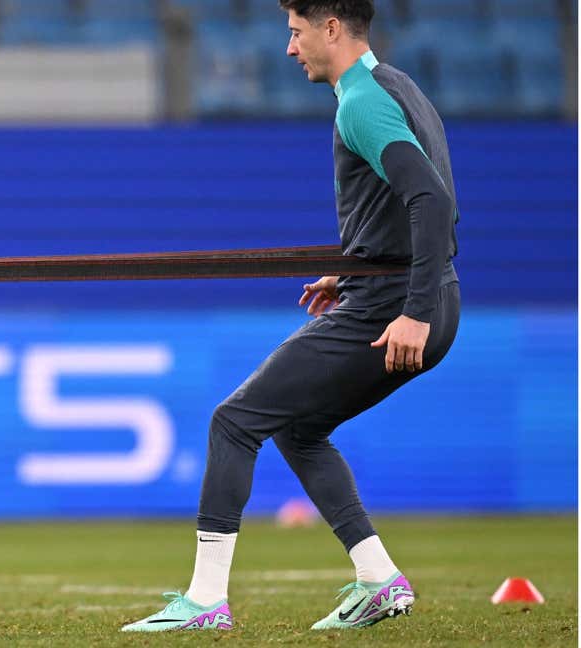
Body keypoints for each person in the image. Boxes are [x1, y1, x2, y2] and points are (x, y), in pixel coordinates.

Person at [121, 0, 460, 632]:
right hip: (418, 295)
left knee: (234, 421)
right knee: (295, 427)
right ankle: (378, 578)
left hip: (396, 309)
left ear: (331, 29)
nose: (289, 46)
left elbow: (430, 201)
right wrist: (356, 263)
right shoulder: (398, 86)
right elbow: (409, 205)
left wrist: (410, 310)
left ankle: (203, 603)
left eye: (296, 31)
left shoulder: (360, 102)